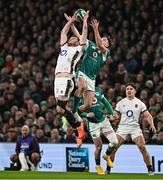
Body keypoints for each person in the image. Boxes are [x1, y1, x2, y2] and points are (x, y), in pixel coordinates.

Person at [54, 11, 89, 148]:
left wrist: (84, 20)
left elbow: (84, 33)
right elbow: (63, 32)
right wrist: (71, 21)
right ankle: (78, 126)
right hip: (57, 79)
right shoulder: (64, 47)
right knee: (59, 110)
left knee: (61, 107)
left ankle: (79, 128)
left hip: (67, 79)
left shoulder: (79, 49)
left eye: (75, 38)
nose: (72, 38)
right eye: (72, 37)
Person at [106, 83, 156, 175]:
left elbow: (148, 115)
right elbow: (115, 115)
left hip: (134, 127)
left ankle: (150, 169)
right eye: (127, 89)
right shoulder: (121, 103)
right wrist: (111, 118)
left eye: (131, 89)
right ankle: (108, 169)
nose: (129, 90)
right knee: (114, 148)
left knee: (143, 147)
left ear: (135, 91)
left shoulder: (140, 103)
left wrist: (151, 124)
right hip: (123, 127)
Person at [71, 19, 111, 117]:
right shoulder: (90, 45)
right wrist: (71, 23)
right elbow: (78, 35)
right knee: (82, 86)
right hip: (82, 72)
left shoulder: (106, 52)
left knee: (88, 105)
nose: (103, 39)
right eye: (103, 38)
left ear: (108, 45)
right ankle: (73, 111)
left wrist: (96, 29)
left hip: (92, 78)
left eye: (105, 40)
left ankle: (76, 115)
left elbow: (100, 45)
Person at [79, 87, 118, 175]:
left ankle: (106, 156)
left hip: (104, 120)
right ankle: (98, 165)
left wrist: (112, 113)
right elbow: (78, 111)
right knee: (99, 147)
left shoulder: (98, 90)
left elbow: (105, 102)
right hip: (93, 125)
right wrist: (86, 114)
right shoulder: (82, 94)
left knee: (115, 142)